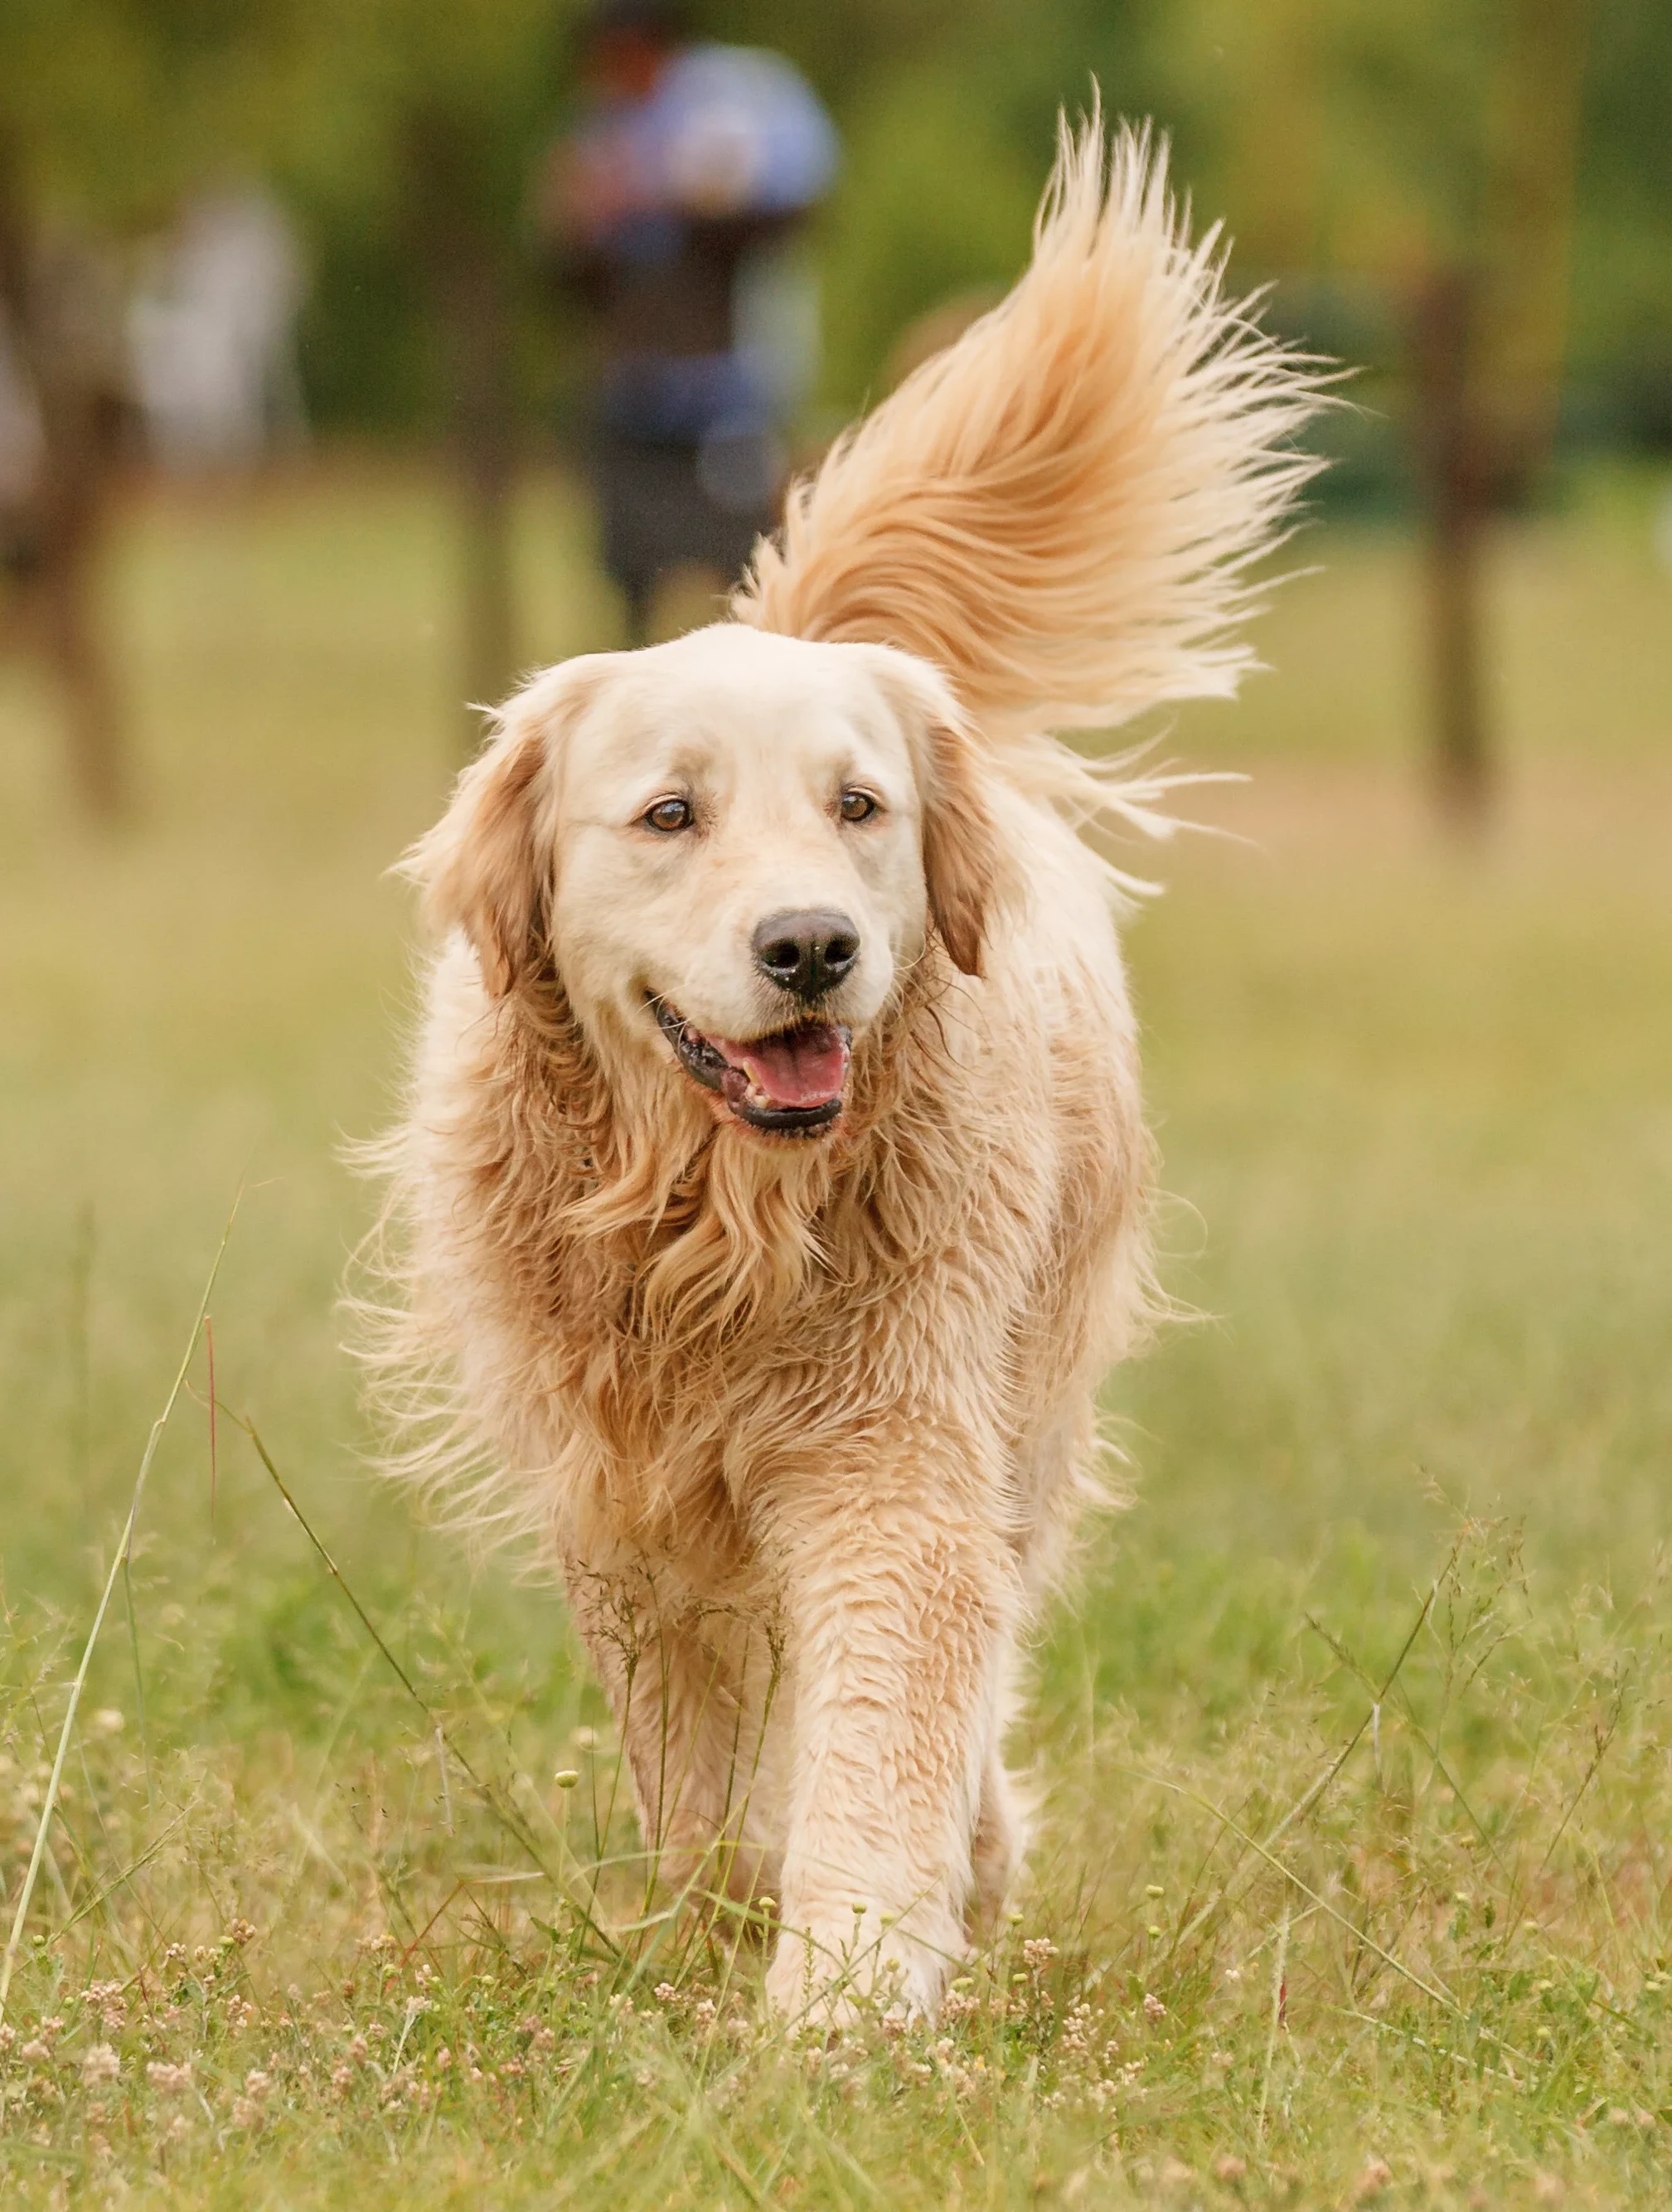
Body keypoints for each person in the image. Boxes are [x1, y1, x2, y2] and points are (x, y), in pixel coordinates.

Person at [539, 2, 836, 641]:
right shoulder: (601, 126)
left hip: (728, 391)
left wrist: (665, 195)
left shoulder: (738, 99)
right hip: (636, 396)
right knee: (631, 569)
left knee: (749, 568)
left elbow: (789, 204)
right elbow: (569, 258)